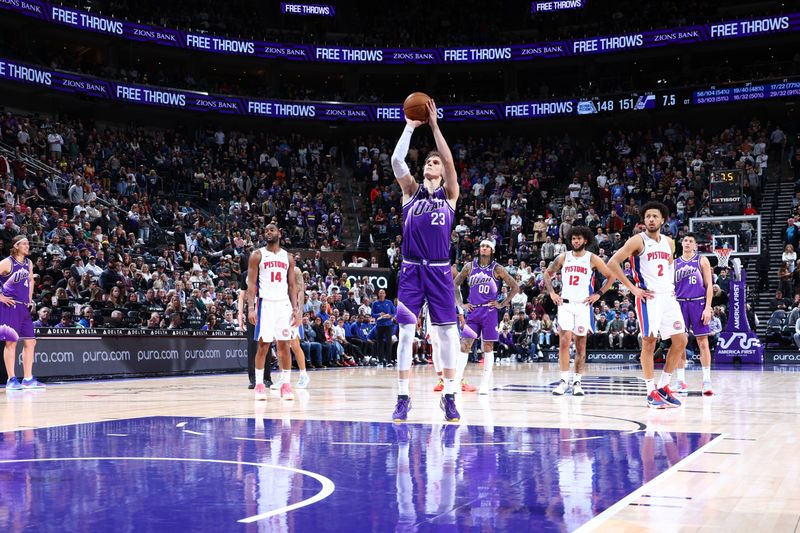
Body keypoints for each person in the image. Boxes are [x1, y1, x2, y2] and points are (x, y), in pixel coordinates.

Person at [390, 99, 461, 423]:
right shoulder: (411, 192)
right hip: (410, 270)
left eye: (436, 162)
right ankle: (403, 398)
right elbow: (395, 159)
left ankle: (449, 395)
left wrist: (434, 126)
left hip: (439, 270)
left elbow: (447, 159)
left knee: (445, 336)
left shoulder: (449, 196)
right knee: (406, 334)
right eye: (429, 161)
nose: (433, 163)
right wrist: (410, 125)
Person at [607, 201, 687, 409]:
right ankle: (650, 391)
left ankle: (663, 387)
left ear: (663, 220)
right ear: (644, 220)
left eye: (655, 216)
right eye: (648, 216)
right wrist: (633, 289)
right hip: (648, 298)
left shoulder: (670, 242)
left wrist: (672, 286)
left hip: (668, 296)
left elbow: (669, 266)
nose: (651, 219)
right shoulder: (637, 240)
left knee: (681, 340)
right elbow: (612, 263)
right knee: (649, 342)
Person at [544, 227, 616, 396]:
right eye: (574, 238)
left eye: (579, 239)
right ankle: (563, 381)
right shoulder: (563, 257)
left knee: (581, 345)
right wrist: (552, 293)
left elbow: (611, 276)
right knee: (563, 342)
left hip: (583, 306)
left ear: (585, 241)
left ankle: (577, 382)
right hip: (566, 305)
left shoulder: (592, 258)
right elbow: (547, 274)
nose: (576, 241)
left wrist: (598, 294)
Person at [453, 239, 521, 394]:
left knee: (488, 347)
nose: (484, 248)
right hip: (473, 311)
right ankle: (456, 382)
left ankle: (484, 384)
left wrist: (502, 304)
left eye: (487, 246)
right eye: (482, 246)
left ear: (492, 250)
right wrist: (461, 303)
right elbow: (455, 284)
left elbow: (515, 287)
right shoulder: (469, 267)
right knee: (464, 345)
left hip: (489, 313)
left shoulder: (497, 268)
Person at [247, 224, 300, 401]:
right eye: (266, 231)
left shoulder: (288, 257)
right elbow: (251, 285)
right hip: (266, 304)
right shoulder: (257, 255)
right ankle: (260, 385)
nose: (268, 232)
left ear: (279, 233)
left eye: (272, 230)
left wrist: (296, 309)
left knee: (285, 346)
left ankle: (286, 385)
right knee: (264, 345)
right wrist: (251, 308)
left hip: (283, 305)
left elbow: (292, 286)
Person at [0, 235, 44, 390]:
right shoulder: (7, 262)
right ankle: (11, 379)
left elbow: (31, 280)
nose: (27, 246)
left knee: (31, 341)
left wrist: (30, 298)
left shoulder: (29, 263)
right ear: (16, 246)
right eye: (24, 244)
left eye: (27, 244)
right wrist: (1, 297)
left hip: (24, 307)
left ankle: (28, 379)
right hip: (10, 306)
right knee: (11, 342)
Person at [673, 233, 714, 395]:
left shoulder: (701, 260)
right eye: (685, 240)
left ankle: (706, 381)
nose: (687, 243)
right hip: (680, 304)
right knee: (679, 343)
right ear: (681, 244)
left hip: (698, 302)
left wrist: (708, 307)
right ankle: (681, 382)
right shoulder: (674, 263)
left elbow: (709, 285)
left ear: (695, 245)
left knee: (702, 342)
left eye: (691, 241)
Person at [238, 252, 271, 390]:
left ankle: (267, 377)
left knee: (266, 343)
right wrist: (240, 314)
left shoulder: (267, 272)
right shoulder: (245, 274)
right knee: (252, 345)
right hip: (252, 311)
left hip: (266, 309)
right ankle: (253, 379)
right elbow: (241, 296)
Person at [370, 289, 396, 366]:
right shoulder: (375, 303)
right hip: (379, 325)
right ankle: (380, 360)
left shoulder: (389, 302)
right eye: (380, 293)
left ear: (385, 294)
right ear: (378, 294)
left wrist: (390, 316)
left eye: (383, 293)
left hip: (388, 325)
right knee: (380, 343)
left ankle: (389, 361)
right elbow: (372, 314)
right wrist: (379, 315)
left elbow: (394, 312)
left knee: (389, 343)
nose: (381, 294)